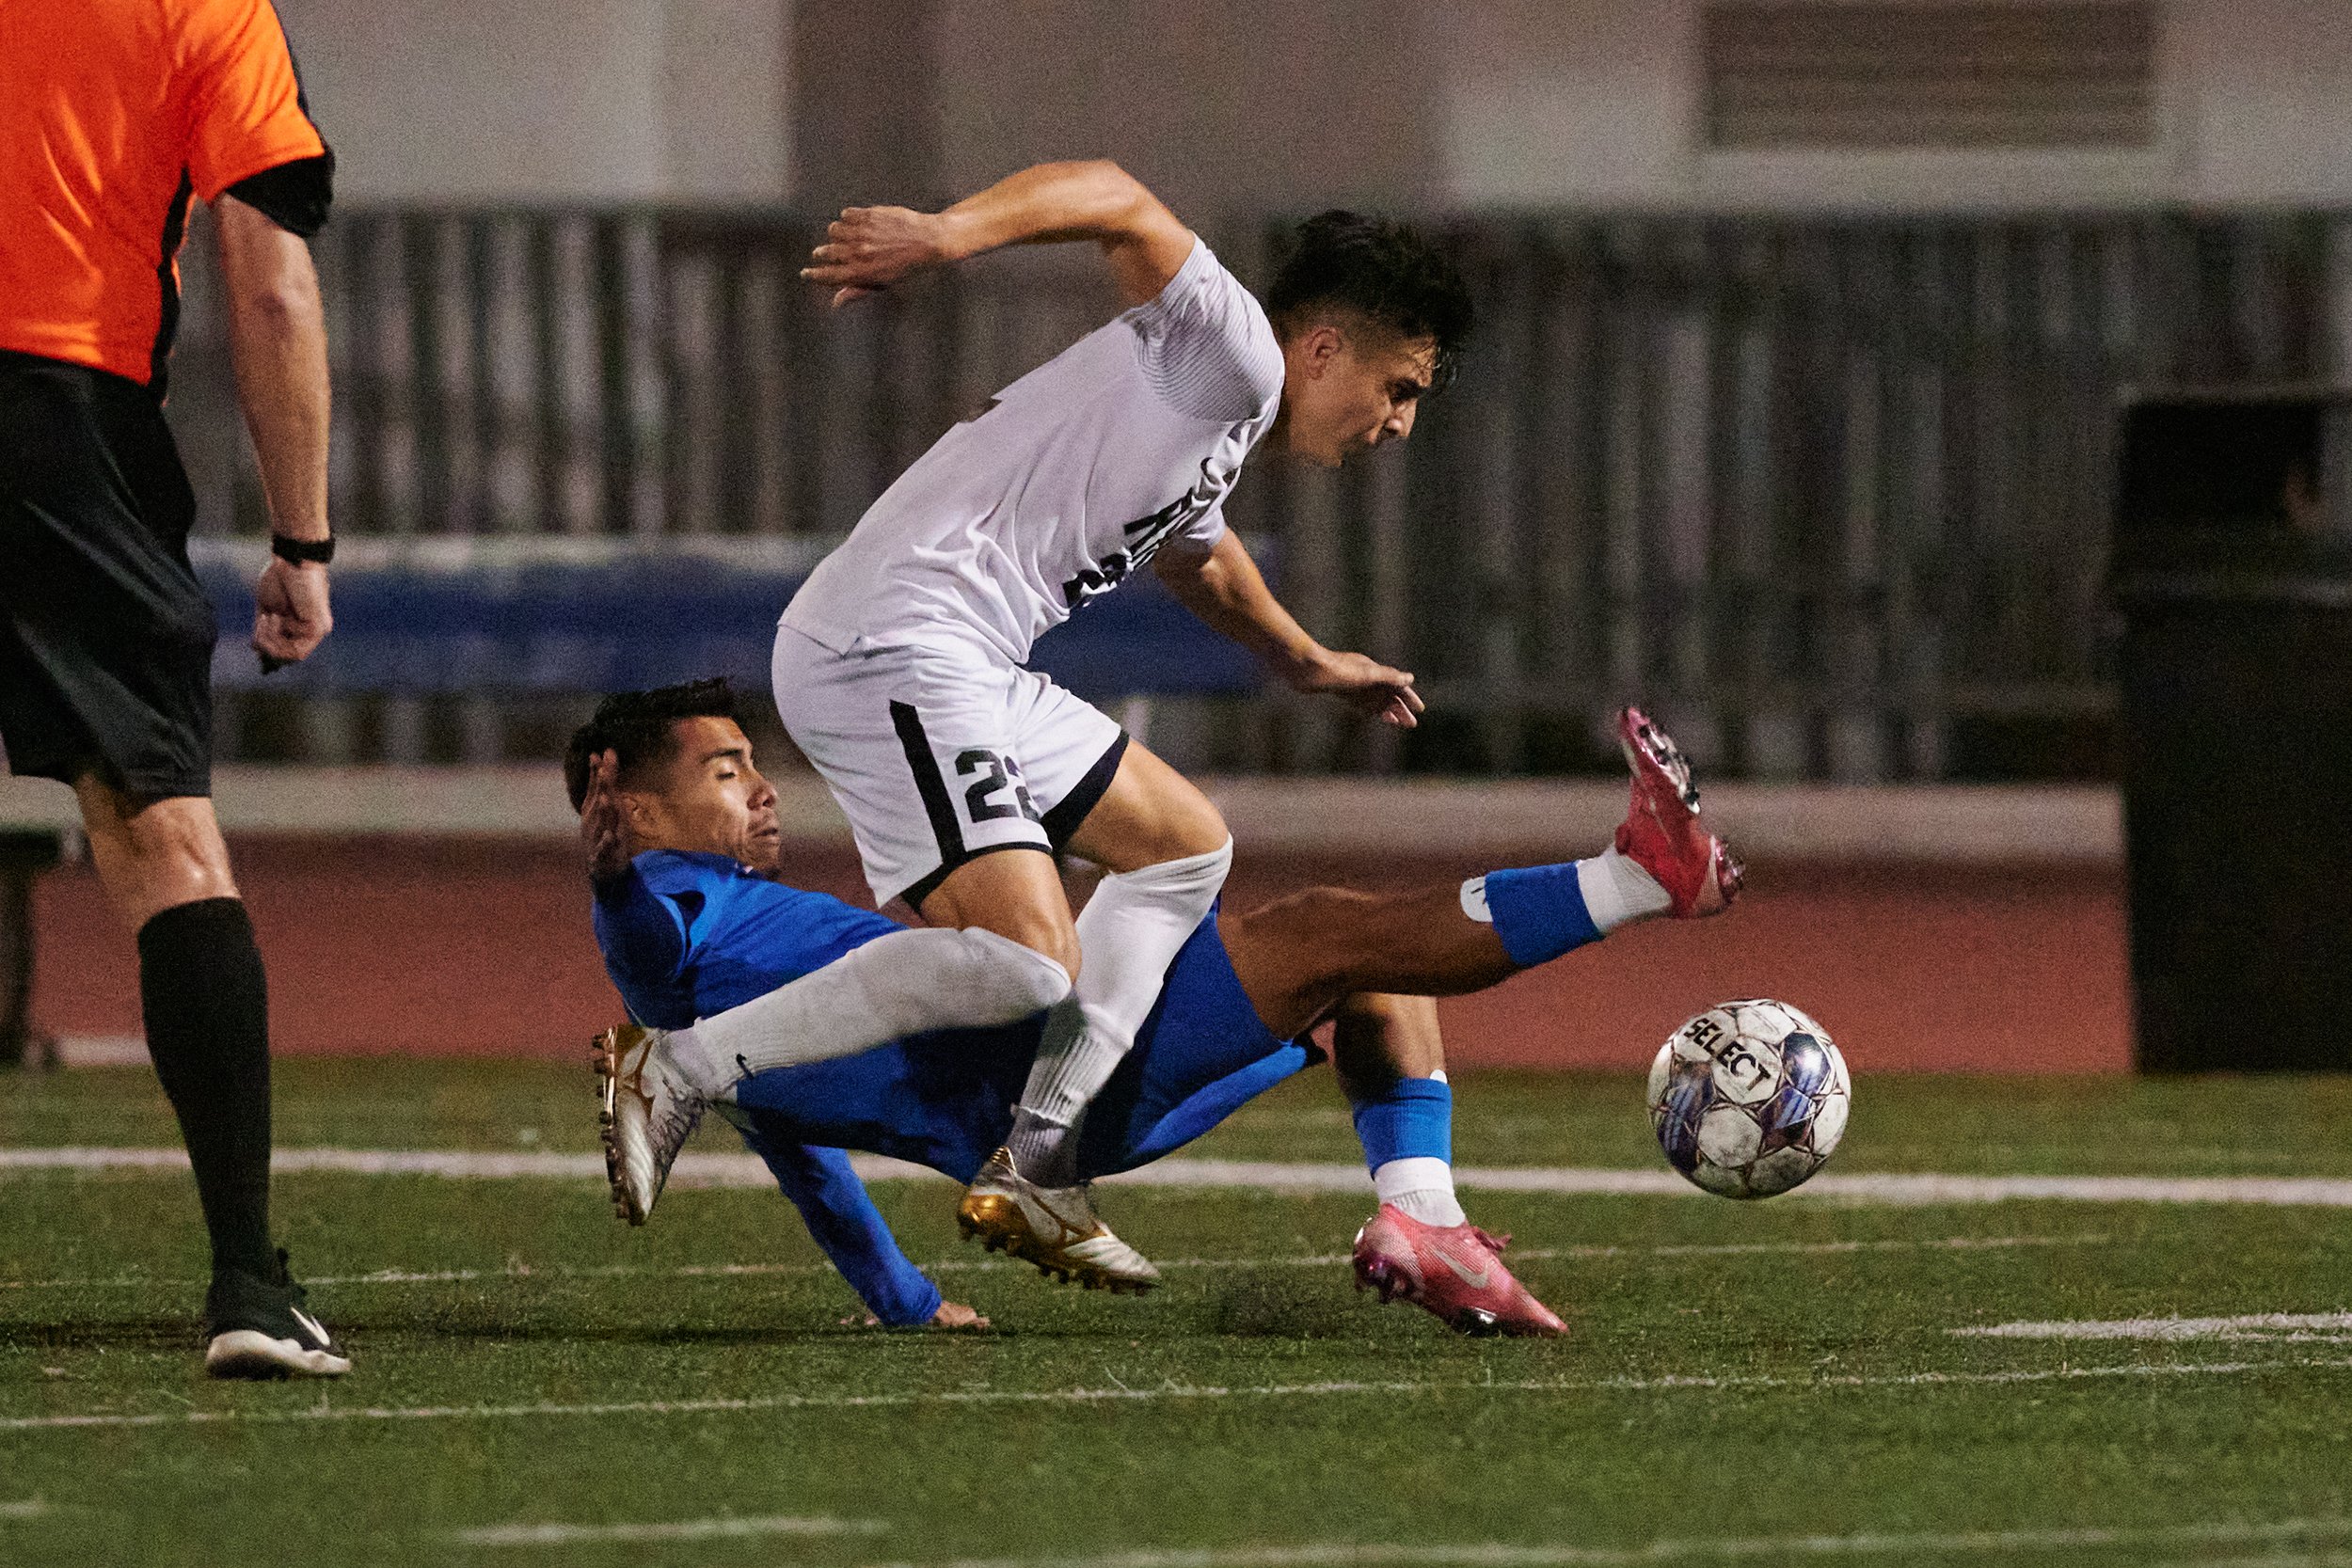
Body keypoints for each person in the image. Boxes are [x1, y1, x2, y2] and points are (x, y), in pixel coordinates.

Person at [604, 159, 1476, 1295]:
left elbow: (1198, 554)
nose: (1397, 422)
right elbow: (1114, 194)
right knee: (1024, 959)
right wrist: (943, 235)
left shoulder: (1219, 419)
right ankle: (680, 1064)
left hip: (965, 655)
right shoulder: (1233, 351)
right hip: (892, 639)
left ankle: (1037, 1159)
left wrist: (1306, 661)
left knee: (1184, 844)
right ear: (1322, 350)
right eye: (1398, 386)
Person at [572, 680, 1740, 1331]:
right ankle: (1637, 874)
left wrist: (905, 1304)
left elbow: (804, 1161)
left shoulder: (737, 992)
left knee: (1366, 965)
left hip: (1063, 1079)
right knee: (1330, 929)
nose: (763, 786)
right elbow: (644, 960)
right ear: (631, 803)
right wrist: (613, 876)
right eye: (727, 770)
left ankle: (1422, 1213)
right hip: (1054, 1081)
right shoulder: (672, 914)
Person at [0, 0, 344, 1377]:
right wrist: (302, 539)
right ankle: (249, 1279)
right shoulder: (204, 9)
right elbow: (268, 286)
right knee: (160, 834)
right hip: (61, 431)